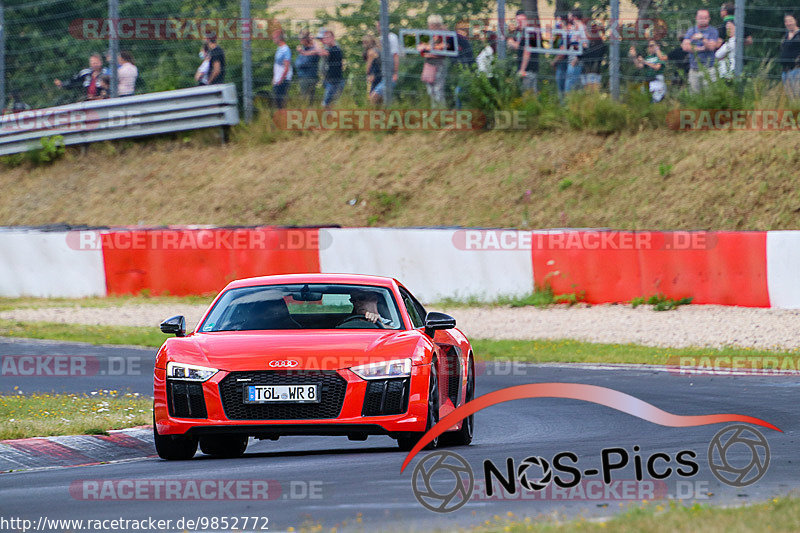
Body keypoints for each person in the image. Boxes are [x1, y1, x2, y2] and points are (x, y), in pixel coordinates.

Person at [681, 9, 719, 92]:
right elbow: (684, 46)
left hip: (708, 69)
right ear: (696, 18)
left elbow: (711, 47)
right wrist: (701, 48)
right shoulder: (691, 30)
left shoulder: (713, 31)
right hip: (694, 69)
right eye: (700, 17)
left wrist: (702, 38)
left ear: (709, 19)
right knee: (694, 97)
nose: (703, 20)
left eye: (705, 18)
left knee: (710, 95)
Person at [510, 10, 539, 93]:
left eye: (520, 21)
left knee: (527, 94)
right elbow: (519, 46)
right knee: (531, 94)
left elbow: (527, 51)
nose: (519, 23)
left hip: (528, 69)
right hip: (527, 69)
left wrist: (522, 69)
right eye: (517, 21)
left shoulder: (529, 32)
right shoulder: (521, 32)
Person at [316, 29, 345, 108]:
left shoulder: (334, 48)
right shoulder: (327, 47)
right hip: (329, 79)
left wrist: (314, 43)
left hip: (334, 81)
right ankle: (330, 118)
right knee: (330, 103)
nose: (323, 40)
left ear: (332, 38)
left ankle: (331, 118)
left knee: (327, 103)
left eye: (324, 38)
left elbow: (322, 52)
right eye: (323, 38)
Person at [372, 20, 400, 101]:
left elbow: (395, 55)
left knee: (374, 96)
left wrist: (395, 73)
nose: (378, 28)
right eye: (377, 26)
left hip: (390, 74)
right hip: (381, 74)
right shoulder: (379, 39)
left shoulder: (392, 37)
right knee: (381, 99)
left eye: (380, 26)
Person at [565, 9, 588, 93]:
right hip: (572, 59)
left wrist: (576, 59)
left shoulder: (581, 27)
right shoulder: (574, 28)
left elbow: (585, 45)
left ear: (574, 17)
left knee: (570, 84)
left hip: (576, 61)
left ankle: (568, 103)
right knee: (573, 84)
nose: (568, 17)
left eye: (569, 15)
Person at [295, 30, 320, 105]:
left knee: (306, 101)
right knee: (304, 100)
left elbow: (303, 63)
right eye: (299, 39)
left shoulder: (313, 50)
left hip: (309, 78)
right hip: (302, 77)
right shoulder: (303, 49)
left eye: (301, 39)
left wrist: (313, 40)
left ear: (306, 39)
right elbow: (297, 63)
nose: (300, 41)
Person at [780, 13, 800, 99]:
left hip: (796, 70)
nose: (788, 23)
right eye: (786, 21)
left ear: (796, 21)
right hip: (785, 72)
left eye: (790, 21)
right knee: (791, 99)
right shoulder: (785, 35)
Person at [271, 29, 292, 109]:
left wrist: (281, 79)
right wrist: (274, 78)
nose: (273, 39)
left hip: (283, 80)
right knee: (276, 102)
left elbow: (286, 67)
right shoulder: (279, 49)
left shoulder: (285, 50)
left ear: (279, 38)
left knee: (280, 102)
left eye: (274, 37)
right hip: (277, 79)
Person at [363, 34, 383, 104]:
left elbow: (368, 66)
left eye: (364, 43)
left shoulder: (371, 52)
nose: (363, 45)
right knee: (379, 98)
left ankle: (374, 113)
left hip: (374, 76)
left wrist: (368, 74)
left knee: (372, 98)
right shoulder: (378, 49)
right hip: (380, 74)